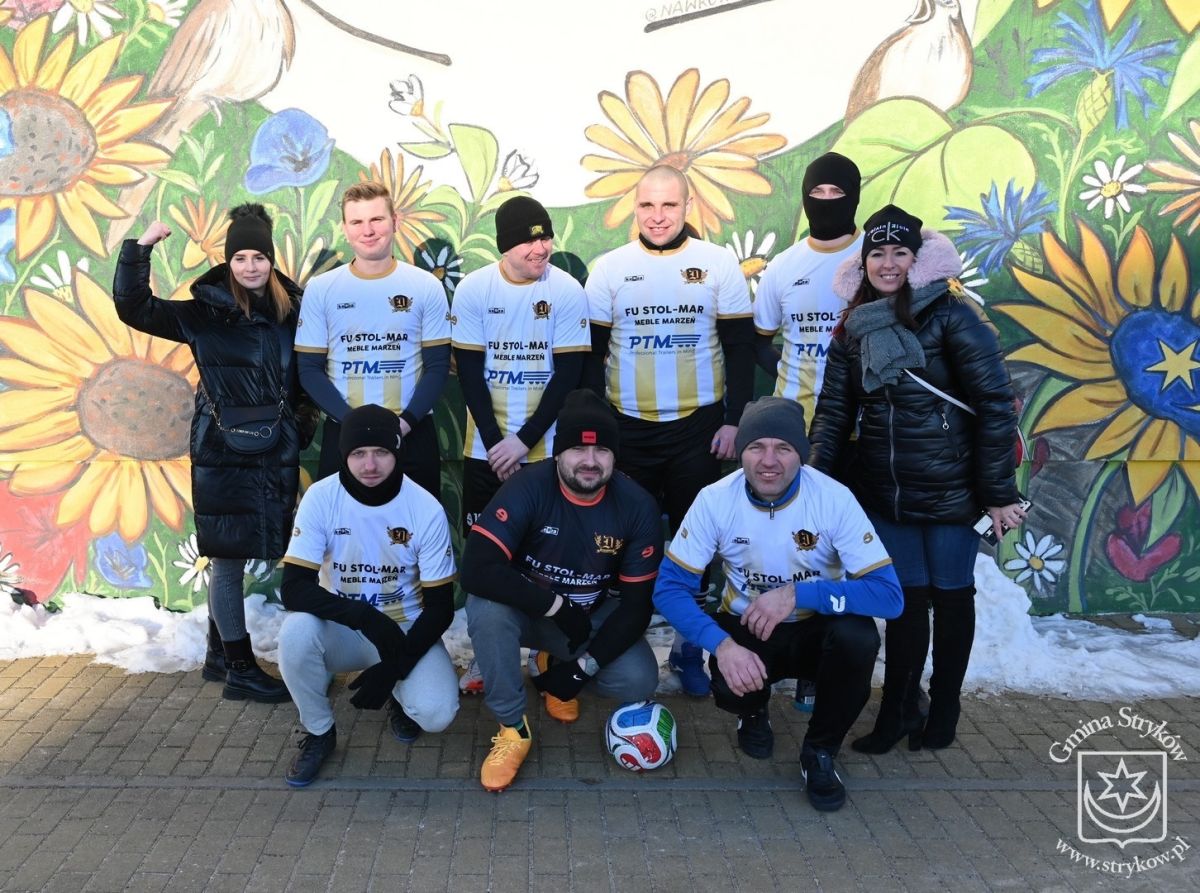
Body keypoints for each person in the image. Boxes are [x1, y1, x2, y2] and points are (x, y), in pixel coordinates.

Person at [808, 204, 1025, 753]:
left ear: (918, 259)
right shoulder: (853, 326)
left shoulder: (954, 314)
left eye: (899, 252)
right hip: (886, 491)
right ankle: (899, 710)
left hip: (954, 490)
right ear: (863, 263)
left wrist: (998, 493)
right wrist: (813, 484)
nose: (888, 264)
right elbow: (833, 412)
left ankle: (945, 708)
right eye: (877, 253)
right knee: (903, 604)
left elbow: (995, 405)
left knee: (951, 598)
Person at [652, 397, 901, 811]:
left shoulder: (834, 498)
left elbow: (889, 596)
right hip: (748, 626)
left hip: (817, 627)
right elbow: (669, 589)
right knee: (728, 677)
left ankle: (819, 751)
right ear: (741, 453)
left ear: (801, 454)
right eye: (756, 447)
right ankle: (752, 713)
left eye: (783, 448)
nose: (769, 461)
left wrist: (797, 594)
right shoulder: (715, 499)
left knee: (858, 639)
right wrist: (721, 646)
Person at [113, 205, 301, 704]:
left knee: (253, 545)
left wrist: (299, 422)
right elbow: (134, 307)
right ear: (228, 261)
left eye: (259, 256)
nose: (250, 266)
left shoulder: (293, 309)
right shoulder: (203, 311)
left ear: (271, 260)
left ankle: (219, 653)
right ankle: (240, 668)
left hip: (273, 449)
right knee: (228, 557)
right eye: (240, 257)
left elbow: (307, 372)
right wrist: (140, 249)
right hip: (222, 451)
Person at [584, 165, 755, 696]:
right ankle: (612, 652)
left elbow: (740, 350)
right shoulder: (610, 268)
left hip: (697, 432)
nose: (657, 216)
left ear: (687, 206)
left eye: (669, 205)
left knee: (693, 548)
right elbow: (591, 359)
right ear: (634, 208)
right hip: (627, 432)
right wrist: (598, 436)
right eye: (647, 206)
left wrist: (733, 420)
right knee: (617, 546)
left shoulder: (718, 263)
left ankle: (689, 651)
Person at [460, 390, 662, 792]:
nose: (590, 461)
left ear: (614, 456)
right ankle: (513, 727)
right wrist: (553, 605)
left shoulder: (638, 506)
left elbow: (637, 607)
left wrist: (582, 669)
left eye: (602, 450)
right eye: (578, 450)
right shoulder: (527, 487)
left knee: (638, 680)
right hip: (529, 611)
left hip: (584, 619)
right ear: (557, 454)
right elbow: (476, 570)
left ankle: (551, 663)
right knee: (486, 608)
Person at [277, 404, 459, 787]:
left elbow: (441, 609)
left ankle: (401, 696)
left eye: (381, 452)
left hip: (406, 628)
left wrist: (397, 666)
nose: (370, 465)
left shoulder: (425, 508)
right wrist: (365, 617)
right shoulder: (321, 497)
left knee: (437, 713)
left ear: (398, 452)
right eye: (358, 453)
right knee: (295, 634)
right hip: (344, 626)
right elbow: (294, 589)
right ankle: (319, 732)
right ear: (344, 454)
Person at [753, 151, 863, 713]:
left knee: (847, 546)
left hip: (864, 429)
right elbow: (761, 338)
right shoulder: (783, 267)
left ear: (854, 197)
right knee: (800, 544)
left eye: (837, 195)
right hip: (799, 436)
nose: (825, 204)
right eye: (816, 194)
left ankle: (831, 661)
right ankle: (790, 659)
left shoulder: (874, 259)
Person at [296, 181, 451, 498]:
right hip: (344, 433)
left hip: (411, 432)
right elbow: (309, 369)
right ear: (345, 228)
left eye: (377, 219)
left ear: (395, 221)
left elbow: (437, 367)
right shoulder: (322, 289)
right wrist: (354, 425)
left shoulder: (425, 286)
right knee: (341, 529)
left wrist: (404, 424)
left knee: (415, 527)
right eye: (357, 222)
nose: (367, 231)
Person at [451, 195, 589, 533]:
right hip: (486, 451)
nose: (540, 249)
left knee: (545, 550)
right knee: (484, 549)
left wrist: (523, 441)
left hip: (546, 450)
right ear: (505, 246)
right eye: (528, 240)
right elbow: (469, 375)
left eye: (546, 238)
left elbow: (567, 377)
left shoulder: (567, 290)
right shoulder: (473, 289)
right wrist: (497, 446)